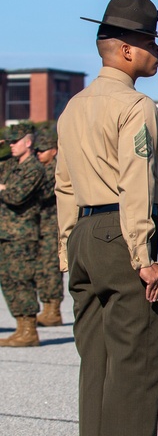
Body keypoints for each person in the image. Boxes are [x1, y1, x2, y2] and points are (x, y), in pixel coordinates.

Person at [55, 0, 158, 436]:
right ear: (126, 50)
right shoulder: (135, 105)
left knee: (97, 363)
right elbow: (136, 183)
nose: (156, 54)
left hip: (84, 233)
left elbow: (64, 183)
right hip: (122, 233)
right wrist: (144, 254)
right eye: (151, 43)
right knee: (135, 359)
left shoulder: (75, 105)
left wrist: (68, 251)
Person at [0, 123, 45, 347]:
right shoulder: (9, 165)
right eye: (8, 142)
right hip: (5, 233)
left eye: (14, 141)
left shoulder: (34, 169)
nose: (11, 145)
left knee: (22, 281)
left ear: (28, 142)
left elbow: (17, 196)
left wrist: (2, 189)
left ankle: (30, 330)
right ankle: (20, 327)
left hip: (22, 234)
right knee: (7, 281)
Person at [32, 127, 64, 328]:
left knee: (51, 268)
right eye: (36, 151)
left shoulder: (56, 168)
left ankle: (53, 309)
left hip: (53, 225)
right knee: (41, 268)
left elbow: (42, 193)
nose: (38, 154)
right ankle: (46, 307)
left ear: (53, 150)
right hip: (41, 224)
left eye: (42, 150)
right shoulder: (41, 168)